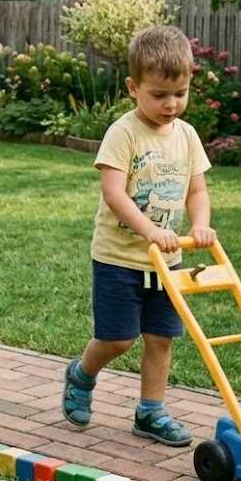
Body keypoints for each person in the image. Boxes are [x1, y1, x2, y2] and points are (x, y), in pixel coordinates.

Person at [62, 25, 216, 446]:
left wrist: (199, 224)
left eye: (180, 94)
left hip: (167, 260)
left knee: (161, 338)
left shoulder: (186, 136)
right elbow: (113, 193)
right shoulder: (124, 133)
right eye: (159, 95)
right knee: (118, 338)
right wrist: (149, 229)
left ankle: (151, 411)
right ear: (133, 87)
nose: (171, 105)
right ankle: (82, 372)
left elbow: (197, 189)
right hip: (119, 259)